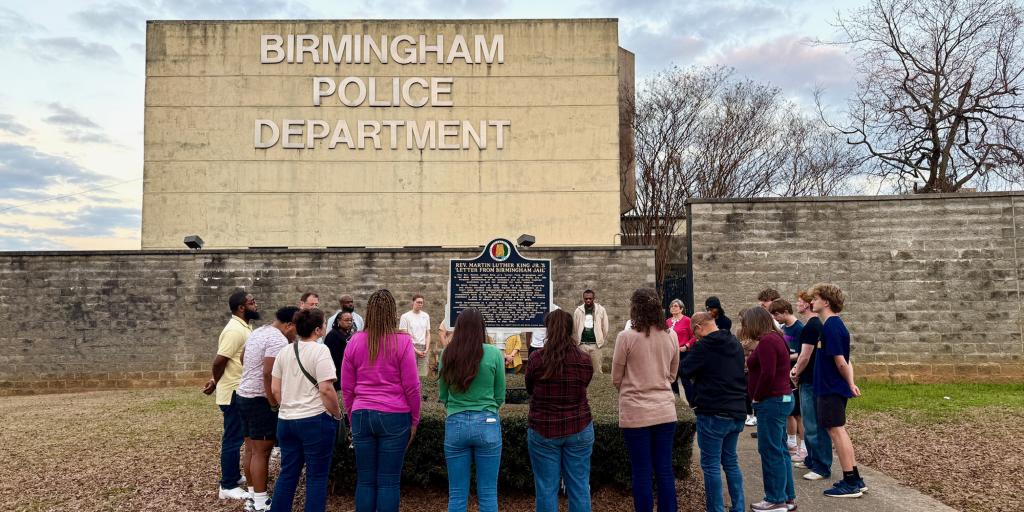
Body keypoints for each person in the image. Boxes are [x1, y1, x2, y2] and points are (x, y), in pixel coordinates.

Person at [341, 289, 422, 512]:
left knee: (365, 480)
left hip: (361, 413)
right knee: (388, 481)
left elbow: (347, 387)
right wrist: (415, 419)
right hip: (395, 414)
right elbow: (412, 386)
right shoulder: (402, 341)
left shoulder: (354, 341)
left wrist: (352, 415)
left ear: (369, 313)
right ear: (392, 313)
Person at [612, 288, 679, 512]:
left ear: (634, 307)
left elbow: (616, 377)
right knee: (664, 469)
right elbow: (672, 374)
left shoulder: (626, 337)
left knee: (641, 470)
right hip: (664, 409)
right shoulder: (671, 335)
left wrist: (633, 386)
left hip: (636, 411)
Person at [269, 308, 341, 512]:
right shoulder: (321, 351)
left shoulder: (284, 351)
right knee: (317, 476)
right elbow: (326, 389)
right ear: (317, 330)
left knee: (288, 474)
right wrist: (337, 414)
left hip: (286, 420)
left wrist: (289, 406)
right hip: (315, 420)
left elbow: (275, 389)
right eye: (324, 324)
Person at [526, 309, 594, 512]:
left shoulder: (537, 359)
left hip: (544, 428)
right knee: (579, 486)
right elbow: (584, 384)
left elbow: (530, 389)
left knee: (546, 488)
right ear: (570, 329)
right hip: (579, 425)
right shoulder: (584, 360)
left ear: (548, 329)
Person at [439, 308, 506, 512]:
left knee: (457, 493)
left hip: (456, 421)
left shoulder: (447, 353)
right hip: (487, 421)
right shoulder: (494, 353)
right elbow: (500, 394)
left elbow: (443, 394)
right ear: (481, 327)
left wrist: (456, 407)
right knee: (488, 493)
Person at [680, 312, 747, 512]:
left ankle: (716, 509)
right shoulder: (734, 342)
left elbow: (684, 370)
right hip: (737, 410)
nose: (695, 337)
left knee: (710, 465)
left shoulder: (703, 346)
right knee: (731, 462)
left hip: (713, 411)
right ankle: (738, 507)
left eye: (694, 333)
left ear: (699, 327)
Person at [236, 305, 298, 511]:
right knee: (262, 452)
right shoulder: (278, 339)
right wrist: (273, 403)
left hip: (243, 395)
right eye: (296, 330)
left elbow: (242, 357)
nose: (296, 335)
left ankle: (253, 496)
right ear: (290, 325)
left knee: (251, 449)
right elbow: (268, 373)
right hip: (260, 400)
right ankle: (262, 502)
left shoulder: (259, 331)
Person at [809, 283, 867, 498]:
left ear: (826, 301)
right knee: (839, 430)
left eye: (815, 298)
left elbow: (842, 361)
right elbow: (846, 361)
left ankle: (850, 482)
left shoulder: (831, 326)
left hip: (830, 387)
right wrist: (850, 383)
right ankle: (856, 478)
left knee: (836, 431)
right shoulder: (835, 325)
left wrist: (849, 383)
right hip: (833, 386)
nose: (811, 302)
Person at [202, 290, 258, 500]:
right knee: (233, 438)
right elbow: (219, 361)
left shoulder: (245, 327)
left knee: (238, 436)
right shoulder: (234, 330)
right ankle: (227, 485)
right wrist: (216, 382)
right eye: (252, 302)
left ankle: (234, 476)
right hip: (233, 392)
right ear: (241, 308)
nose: (256, 305)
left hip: (239, 390)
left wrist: (215, 380)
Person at [742, 307, 796, 512]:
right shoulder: (777, 337)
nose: (745, 328)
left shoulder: (767, 341)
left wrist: (756, 396)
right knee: (780, 450)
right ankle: (787, 497)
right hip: (782, 398)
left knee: (770, 451)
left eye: (746, 324)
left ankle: (775, 499)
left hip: (772, 401)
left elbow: (767, 373)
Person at [790, 290, 832, 482]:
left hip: (810, 381)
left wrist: (795, 372)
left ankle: (821, 466)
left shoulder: (811, 327)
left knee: (813, 424)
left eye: (800, 301)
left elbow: (805, 356)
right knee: (809, 422)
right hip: (809, 380)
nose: (797, 304)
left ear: (807, 304)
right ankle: (812, 459)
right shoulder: (813, 325)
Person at [769, 299, 806, 462]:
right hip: (784, 378)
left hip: (794, 376)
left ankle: (804, 446)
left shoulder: (800, 329)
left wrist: (782, 357)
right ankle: (791, 443)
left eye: (776, 314)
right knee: (789, 411)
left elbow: (802, 353)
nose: (775, 318)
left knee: (798, 413)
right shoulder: (782, 329)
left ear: (785, 312)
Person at [573, 289, 609, 374]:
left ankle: (598, 384)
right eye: (586, 299)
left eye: (590, 298)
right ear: (583, 298)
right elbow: (575, 327)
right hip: (582, 345)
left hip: (596, 346)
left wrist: (600, 339)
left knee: (597, 371)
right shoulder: (578, 311)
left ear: (594, 298)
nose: (588, 300)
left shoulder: (601, 310)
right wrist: (578, 341)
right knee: (582, 370)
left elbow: (605, 327)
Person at [666, 299, 695, 401]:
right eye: (671, 306)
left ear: (681, 309)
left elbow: (694, 337)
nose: (672, 308)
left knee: (685, 379)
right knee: (672, 379)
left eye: (675, 306)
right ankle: (677, 401)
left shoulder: (687, 320)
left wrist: (686, 346)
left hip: (683, 353)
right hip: (671, 354)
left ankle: (692, 403)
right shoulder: (667, 322)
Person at [399, 294, 432, 377]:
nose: (420, 304)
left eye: (421, 302)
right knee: (410, 374)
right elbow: (404, 336)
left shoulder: (426, 316)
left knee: (423, 376)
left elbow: (428, 334)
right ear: (413, 302)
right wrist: (416, 350)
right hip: (410, 347)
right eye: (418, 302)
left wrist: (426, 349)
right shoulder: (405, 317)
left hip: (423, 348)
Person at [324, 311, 356, 391]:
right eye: (346, 320)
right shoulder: (332, 335)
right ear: (338, 321)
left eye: (351, 320)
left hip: (347, 374)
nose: (349, 322)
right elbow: (332, 358)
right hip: (336, 376)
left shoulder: (348, 334)